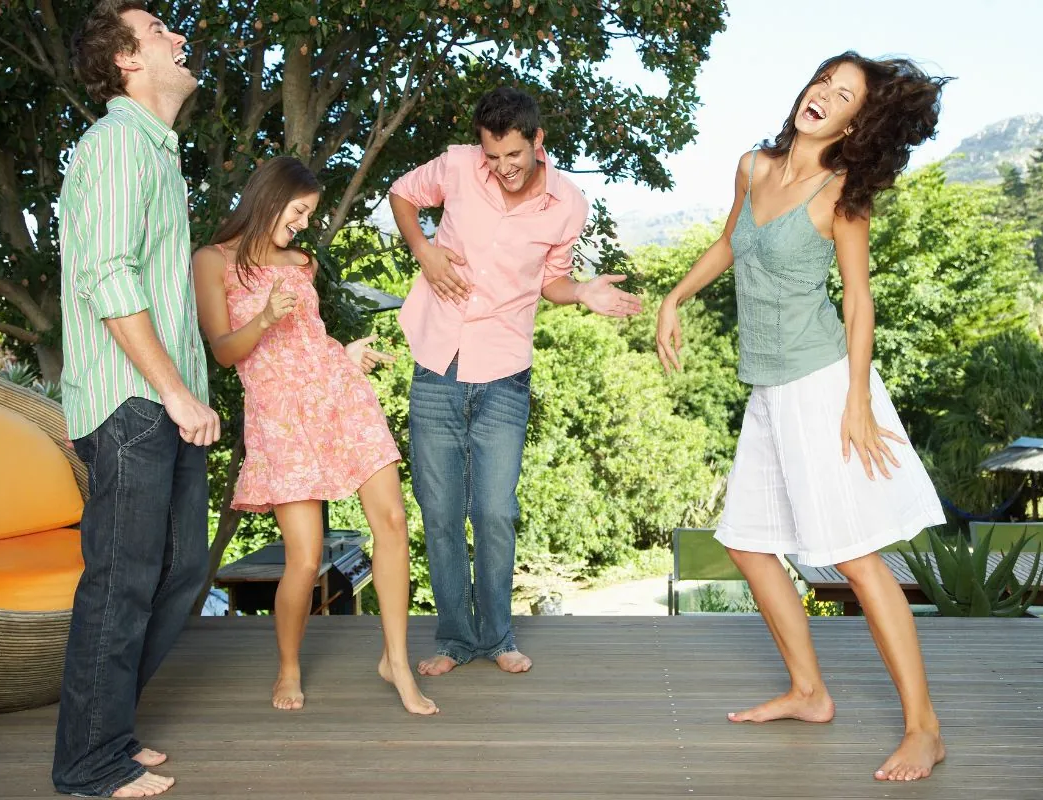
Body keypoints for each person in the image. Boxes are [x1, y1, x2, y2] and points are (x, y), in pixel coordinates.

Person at [655, 52, 952, 782]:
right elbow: (731, 242)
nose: (825, 96)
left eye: (845, 95)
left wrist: (856, 401)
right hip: (768, 388)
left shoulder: (843, 191)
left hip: (823, 386)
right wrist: (674, 297)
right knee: (751, 543)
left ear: (857, 119)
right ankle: (810, 692)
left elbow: (857, 301)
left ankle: (926, 728)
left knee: (854, 556)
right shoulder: (754, 167)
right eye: (824, 81)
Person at [389, 87, 643, 676]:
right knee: (441, 510)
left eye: (514, 156)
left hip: (504, 370)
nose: (502, 168)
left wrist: (582, 292)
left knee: (496, 510)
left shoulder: (567, 204)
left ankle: (498, 636)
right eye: (493, 156)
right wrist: (425, 250)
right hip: (436, 361)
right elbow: (402, 194)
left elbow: (553, 281)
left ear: (538, 142)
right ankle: (455, 639)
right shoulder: (455, 166)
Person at [191, 157, 437, 717]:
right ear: (270, 198)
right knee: (303, 558)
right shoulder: (212, 261)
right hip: (281, 418)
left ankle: (396, 660)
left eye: (309, 214)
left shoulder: (300, 262)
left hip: (340, 396)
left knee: (394, 523)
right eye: (299, 211)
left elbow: (310, 341)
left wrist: (347, 356)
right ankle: (289, 666)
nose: (303, 224)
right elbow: (225, 352)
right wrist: (263, 320)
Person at [54, 2, 218, 797]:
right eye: (159, 32)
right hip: (132, 402)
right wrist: (177, 392)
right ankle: (87, 763)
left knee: (183, 567)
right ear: (125, 60)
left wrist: (189, 393)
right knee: (120, 581)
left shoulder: (156, 155)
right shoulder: (117, 146)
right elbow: (109, 280)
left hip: (164, 400)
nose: (179, 38)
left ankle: (108, 728)